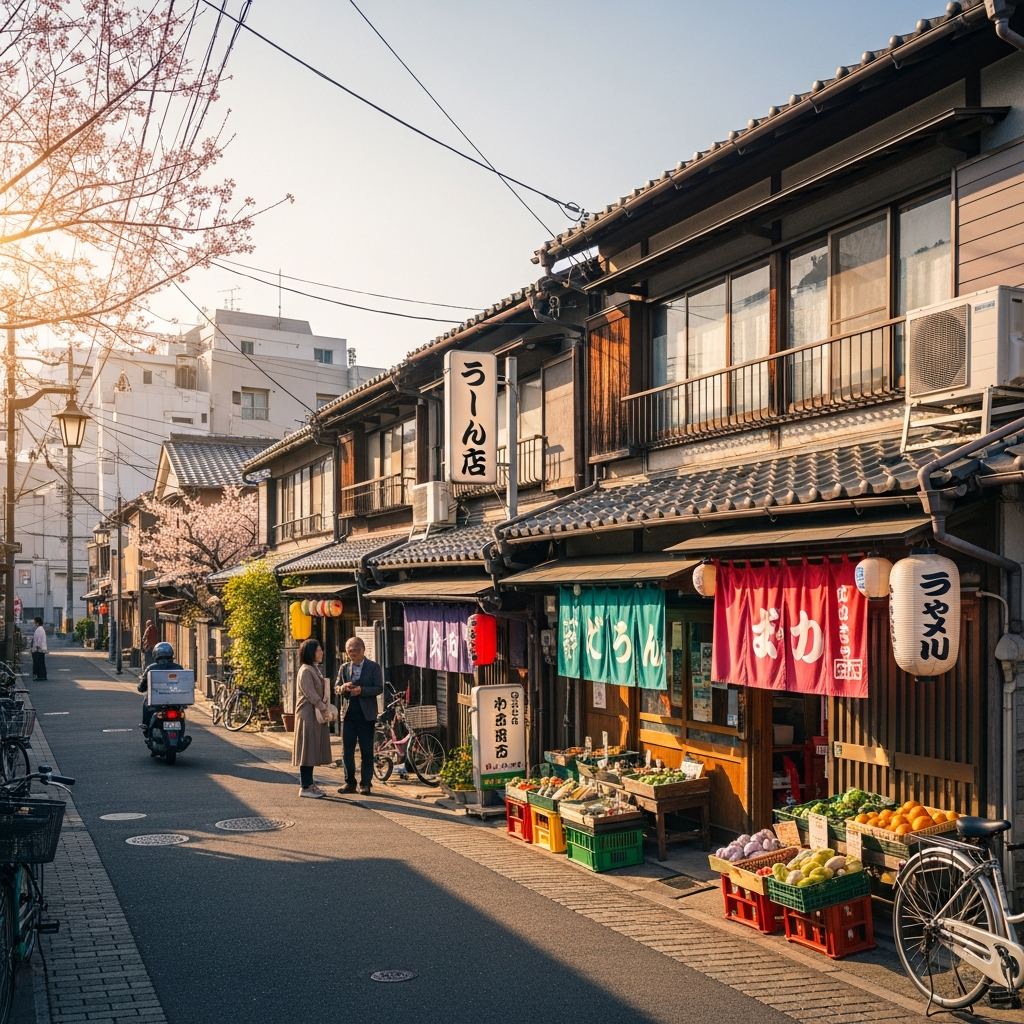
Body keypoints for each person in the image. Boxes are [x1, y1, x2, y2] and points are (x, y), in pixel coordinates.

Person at [336, 636, 383, 796]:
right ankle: (350, 782)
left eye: (355, 651)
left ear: (363, 650)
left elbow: (379, 688)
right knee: (346, 750)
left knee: (366, 751)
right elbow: (336, 688)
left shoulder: (373, 667)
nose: (352, 654)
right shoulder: (344, 668)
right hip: (348, 713)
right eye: (349, 652)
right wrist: (343, 687)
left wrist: (362, 690)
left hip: (366, 714)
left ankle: (366, 783)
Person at [293, 638, 334, 798]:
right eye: (318, 650)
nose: (321, 653)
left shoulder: (313, 669)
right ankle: (305, 786)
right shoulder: (305, 671)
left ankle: (309, 783)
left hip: (314, 713)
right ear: (310, 652)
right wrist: (324, 708)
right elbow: (310, 693)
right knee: (307, 749)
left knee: (312, 749)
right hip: (308, 714)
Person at [138, 641, 182, 733]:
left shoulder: (151, 668)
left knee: (146, 702)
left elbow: (142, 687)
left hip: (157, 699)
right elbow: (184, 684)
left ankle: (145, 725)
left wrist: (141, 687)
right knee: (181, 712)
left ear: (155, 654)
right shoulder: (178, 668)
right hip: (175, 699)